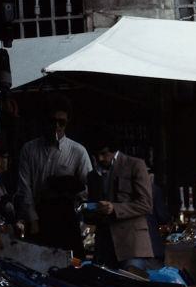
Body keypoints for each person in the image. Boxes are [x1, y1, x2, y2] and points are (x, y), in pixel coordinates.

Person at [14, 95, 92, 254]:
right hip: (38, 213)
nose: (56, 126)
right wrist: (33, 219)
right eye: (52, 121)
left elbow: (88, 188)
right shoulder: (29, 149)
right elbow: (24, 187)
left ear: (67, 122)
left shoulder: (78, 151)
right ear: (45, 121)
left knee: (71, 261)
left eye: (61, 122)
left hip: (66, 215)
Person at [84, 133, 154, 269]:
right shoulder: (93, 175)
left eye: (103, 153)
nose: (100, 158)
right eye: (96, 155)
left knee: (131, 281)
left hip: (131, 245)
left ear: (113, 150)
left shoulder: (134, 165)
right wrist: (90, 211)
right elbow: (90, 213)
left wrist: (114, 208)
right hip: (104, 247)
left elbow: (146, 204)